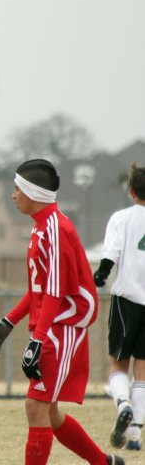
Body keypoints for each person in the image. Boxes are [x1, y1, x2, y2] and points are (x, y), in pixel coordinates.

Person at [0, 159, 124, 465]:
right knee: (49, 411)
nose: (13, 195)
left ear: (33, 192)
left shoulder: (56, 229)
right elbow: (39, 290)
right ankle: (103, 462)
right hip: (53, 325)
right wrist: (9, 322)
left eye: (18, 188)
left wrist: (38, 339)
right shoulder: (41, 229)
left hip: (64, 325)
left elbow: (57, 293)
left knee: (36, 406)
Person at [93, 164, 145, 451]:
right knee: (143, 368)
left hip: (127, 300)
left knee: (118, 363)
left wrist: (100, 275)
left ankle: (122, 404)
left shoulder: (122, 218)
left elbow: (111, 251)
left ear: (131, 190)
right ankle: (136, 431)